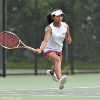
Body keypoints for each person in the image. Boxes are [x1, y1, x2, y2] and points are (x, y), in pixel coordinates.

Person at [35, 9, 72, 89]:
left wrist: (68, 39)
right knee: (57, 60)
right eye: (58, 16)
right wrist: (41, 49)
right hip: (49, 49)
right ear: (53, 17)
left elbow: (68, 35)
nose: (60, 17)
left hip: (59, 49)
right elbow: (45, 41)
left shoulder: (65, 26)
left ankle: (52, 72)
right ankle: (60, 81)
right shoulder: (49, 28)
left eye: (61, 16)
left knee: (56, 64)